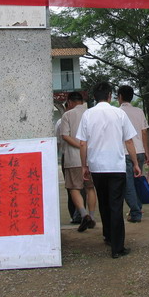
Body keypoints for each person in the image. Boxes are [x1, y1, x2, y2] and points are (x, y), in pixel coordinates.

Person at [77, 81, 141, 258]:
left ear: (94, 97)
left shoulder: (87, 115)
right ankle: (117, 247)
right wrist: (135, 163)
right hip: (116, 166)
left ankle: (107, 235)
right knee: (116, 205)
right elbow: (129, 141)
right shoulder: (119, 113)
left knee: (104, 203)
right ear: (110, 96)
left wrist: (84, 165)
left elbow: (82, 143)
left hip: (97, 166)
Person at [60, 91, 97, 232]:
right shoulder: (91, 114)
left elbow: (65, 135)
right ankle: (92, 217)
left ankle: (83, 214)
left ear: (69, 102)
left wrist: (79, 145)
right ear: (82, 101)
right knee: (90, 188)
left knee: (74, 188)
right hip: (91, 158)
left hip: (73, 159)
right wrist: (85, 147)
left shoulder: (67, 115)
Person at [117, 85, 149, 223]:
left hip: (125, 152)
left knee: (128, 184)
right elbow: (144, 133)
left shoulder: (118, 112)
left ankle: (136, 212)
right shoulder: (139, 111)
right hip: (140, 151)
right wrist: (147, 153)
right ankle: (137, 208)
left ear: (120, 97)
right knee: (137, 181)